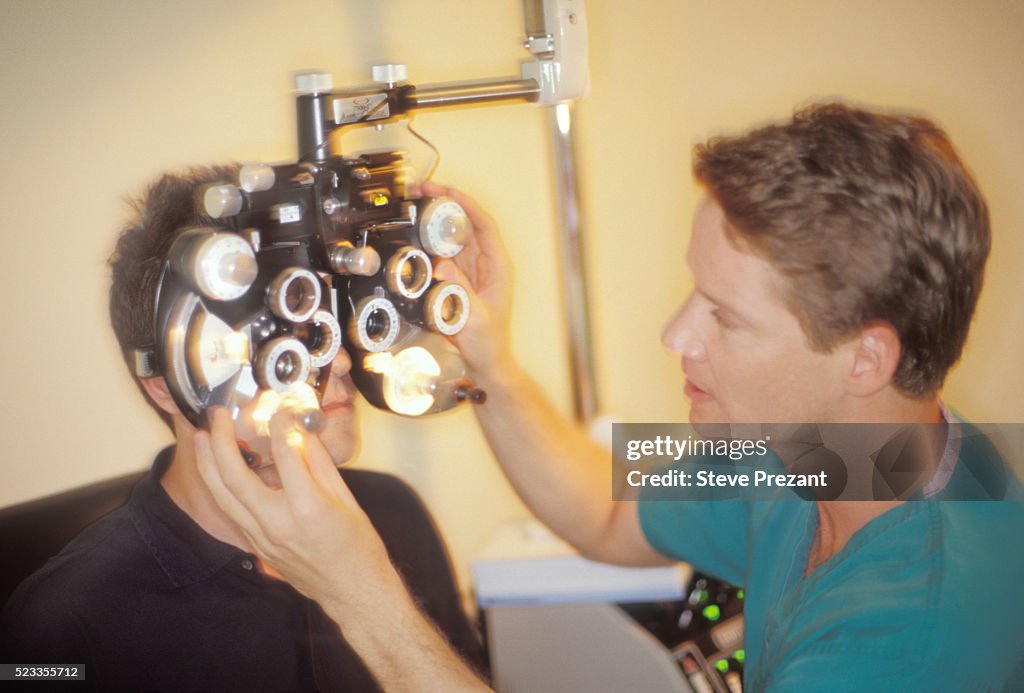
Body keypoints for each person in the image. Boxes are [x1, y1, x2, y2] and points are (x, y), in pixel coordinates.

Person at [196, 103, 1024, 690]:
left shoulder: (909, 641)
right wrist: (489, 358)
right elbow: (609, 507)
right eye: (692, 291)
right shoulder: (836, 447)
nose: (675, 335)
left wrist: (360, 595)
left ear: (865, 356)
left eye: (724, 318)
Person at [0, 167, 487, 692]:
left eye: (331, 317)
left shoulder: (391, 514)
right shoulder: (62, 623)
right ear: (169, 382)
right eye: (286, 330)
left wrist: (367, 594)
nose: (341, 362)